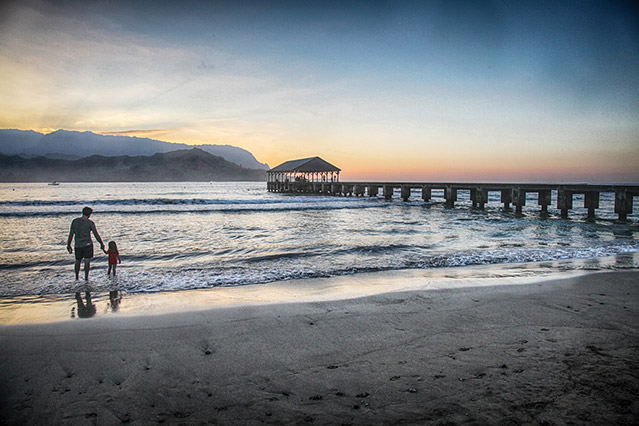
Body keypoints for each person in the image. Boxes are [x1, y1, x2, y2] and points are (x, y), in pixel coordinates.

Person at [67, 207, 105, 280]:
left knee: (77, 261)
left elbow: (71, 234)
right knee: (87, 261)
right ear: (89, 214)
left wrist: (69, 244)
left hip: (78, 244)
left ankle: (76, 277)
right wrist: (101, 243)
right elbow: (96, 234)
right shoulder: (90, 223)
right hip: (88, 244)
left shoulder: (75, 221)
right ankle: (86, 277)